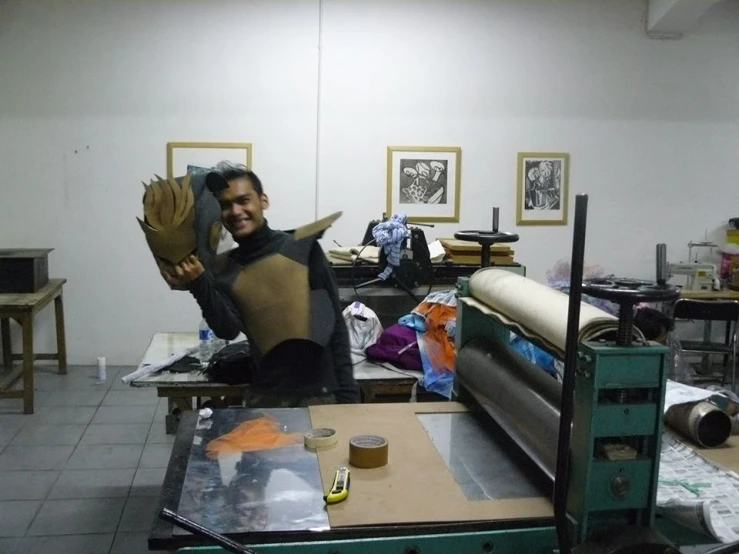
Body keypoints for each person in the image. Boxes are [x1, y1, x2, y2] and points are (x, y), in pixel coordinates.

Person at [160, 161, 360, 407]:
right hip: (265, 396)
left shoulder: (301, 248)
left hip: (321, 396)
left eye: (243, 200)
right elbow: (227, 329)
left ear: (262, 201)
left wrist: (349, 397)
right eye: (225, 205)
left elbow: (336, 327)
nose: (235, 211)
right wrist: (198, 284)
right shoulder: (223, 268)